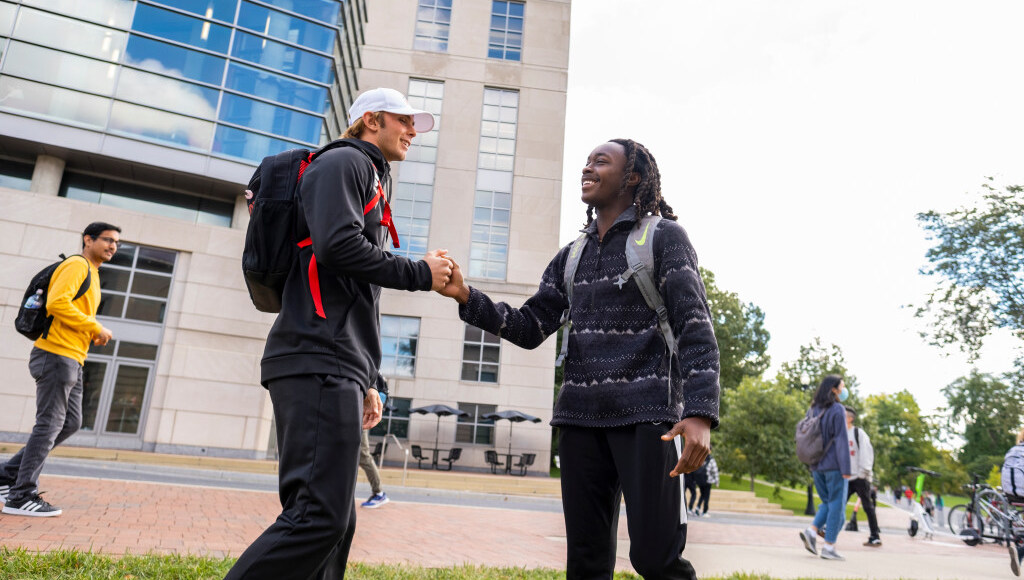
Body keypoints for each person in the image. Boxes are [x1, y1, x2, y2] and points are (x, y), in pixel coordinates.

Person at [437, 138, 720, 579]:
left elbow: (695, 329)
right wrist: (466, 295)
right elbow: (531, 326)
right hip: (579, 423)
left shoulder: (664, 238)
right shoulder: (572, 255)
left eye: (601, 162)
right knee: (585, 563)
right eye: (586, 161)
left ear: (634, 177)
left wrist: (700, 413)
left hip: (649, 421)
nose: (587, 168)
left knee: (657, 559)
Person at [224, 87, 454, 580]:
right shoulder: (343, 163)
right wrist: (419, 272)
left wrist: (370, 378)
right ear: (371, 120)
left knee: (337, 520)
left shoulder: (367, 175)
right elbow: (336, 247)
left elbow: (355, 294)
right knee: (317, 516)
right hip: (315, 356)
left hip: (336, 361)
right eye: (404, 120)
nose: (413, 131)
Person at [0, 222, 119, 517]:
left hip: (73, 357)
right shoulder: (77, 264)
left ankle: (6, 476)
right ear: (87, 239)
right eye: (107, 240)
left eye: (117, 242)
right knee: (50, 424)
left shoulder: (92, 272)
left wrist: (89, 332)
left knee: (70, 422)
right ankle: (20, 495)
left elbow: (71, 310)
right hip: (55, 354)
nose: (113, 246)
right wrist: (95, 326)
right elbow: (57, 303)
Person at [798, 375, 852, 561]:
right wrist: (846, 468)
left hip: (816, 464)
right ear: (834, 389)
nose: (844, 390)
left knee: (828, 503)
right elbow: (842, 441)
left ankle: (812, 531)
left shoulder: (813, 409)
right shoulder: (838, 409)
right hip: (834, 465)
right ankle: (829, 547)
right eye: (842, 386)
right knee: (837, 504)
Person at [844, 405, 882, 547]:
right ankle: (828, 529)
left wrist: (863, 473)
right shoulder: (841, 434)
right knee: (839, 504)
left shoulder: (858, 433)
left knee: (867, 506)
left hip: (860, 477)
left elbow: (867, 454)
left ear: (850, 418)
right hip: (847, 477)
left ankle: (875, 536)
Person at [359, 375, 388, 509]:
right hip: (358, 414)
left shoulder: (371, 370)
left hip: (360, 416)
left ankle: (379, 493)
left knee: (363, 456)